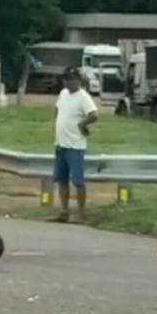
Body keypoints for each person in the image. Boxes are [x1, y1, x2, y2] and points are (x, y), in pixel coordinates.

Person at [51, 67, 98, 223]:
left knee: (78, 181)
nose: (70, 83)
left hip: (75, 145)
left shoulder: (83, 97)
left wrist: (82, 124)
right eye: (67, 80)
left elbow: (94, 114)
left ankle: (81, 213)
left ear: (78, 80)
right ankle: (64, 211)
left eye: (73, 80)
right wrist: (57, 125)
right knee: (61, 180)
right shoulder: (63, 94)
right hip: (60, 143)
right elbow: (57, 109)